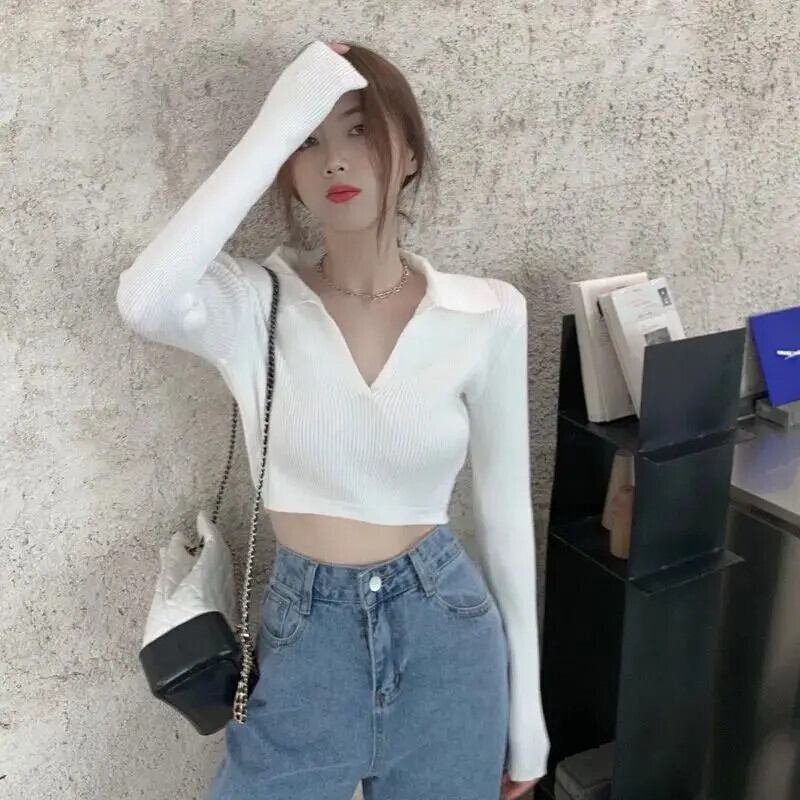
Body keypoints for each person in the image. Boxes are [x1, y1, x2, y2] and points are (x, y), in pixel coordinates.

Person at [116, 38, 549, 800]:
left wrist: (529, 718)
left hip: (448, 640)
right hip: (306, 642)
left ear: (408, 154)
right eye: (309, 141)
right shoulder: (254, 304)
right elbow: (143, 300)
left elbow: (506, 517)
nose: (335, 161)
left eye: (359, 130)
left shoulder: (486, 313)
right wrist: (278, 119)